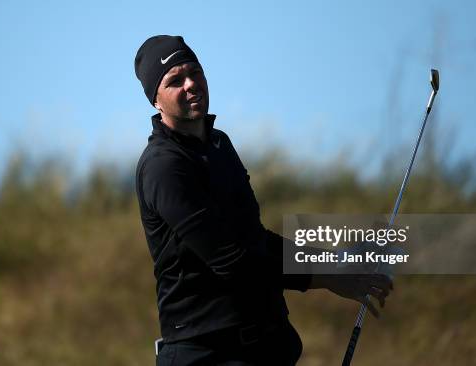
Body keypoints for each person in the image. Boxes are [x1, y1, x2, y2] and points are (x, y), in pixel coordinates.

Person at [134, 35, 392, 365]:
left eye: (194, 72)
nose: (190, 85)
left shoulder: (219, 145)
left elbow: (256, 239)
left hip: (264, 346)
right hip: (206, 354)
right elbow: (231, 260)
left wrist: (333, 262)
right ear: (155, 101)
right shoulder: (163, 166)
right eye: (174, 81)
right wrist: (329, 278)